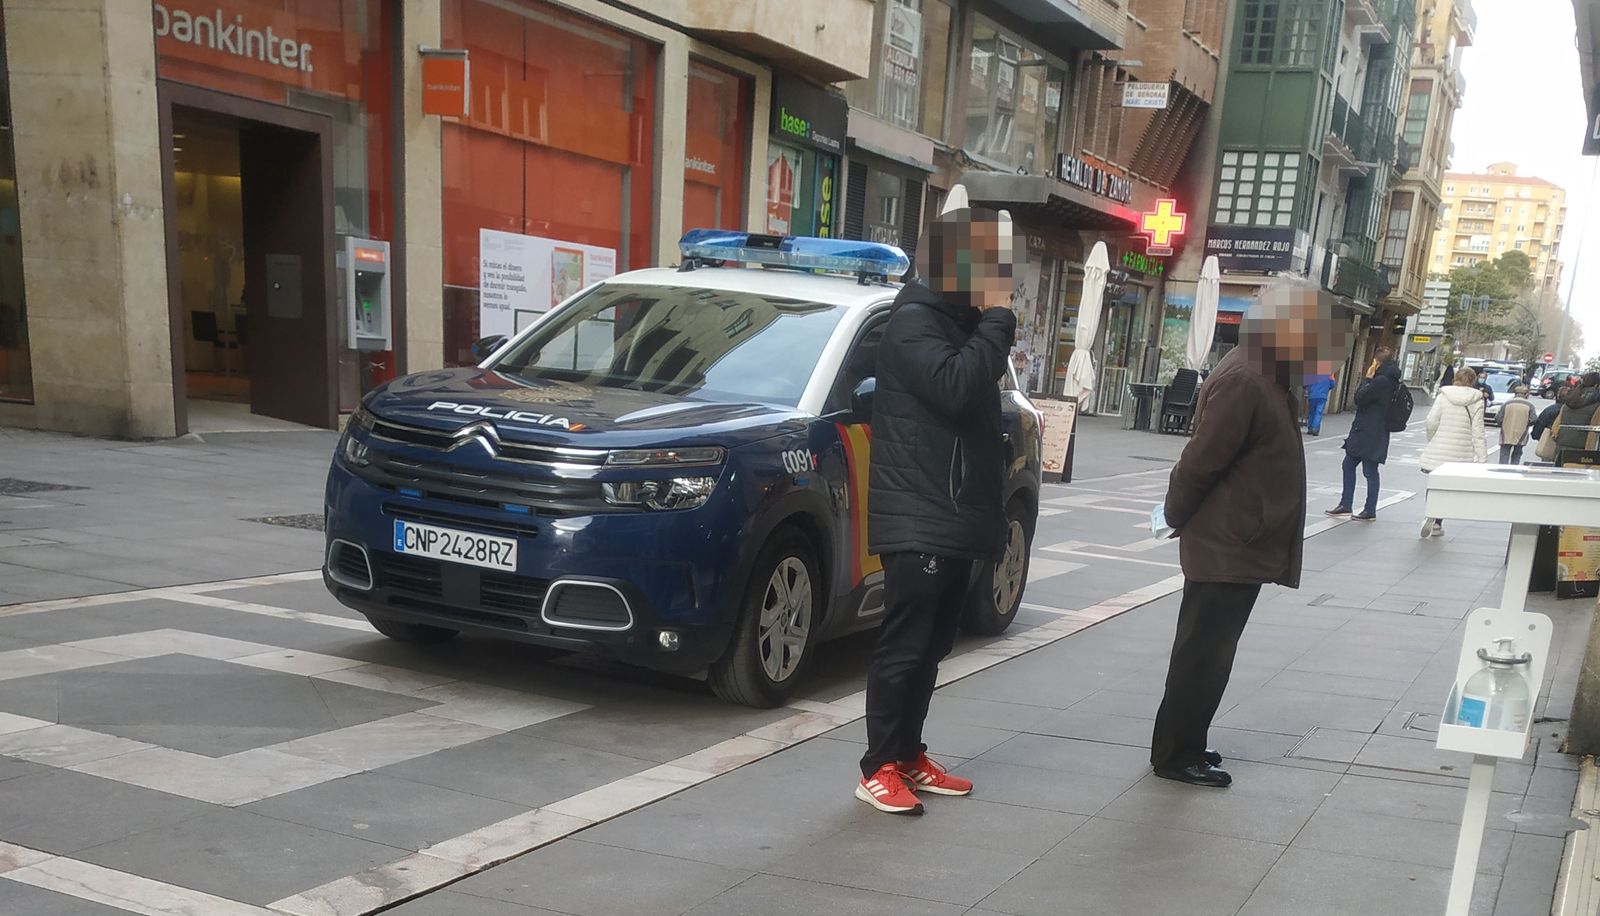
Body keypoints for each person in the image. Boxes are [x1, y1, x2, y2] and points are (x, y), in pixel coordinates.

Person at [857, 196, 1016, 816]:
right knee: (905, 644)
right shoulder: (914, 321)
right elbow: (954, 386)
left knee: (933, 646)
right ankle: (877, 767)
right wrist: (998, 318)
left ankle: (907, 754)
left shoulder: (955, 321)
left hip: (951, 512)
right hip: (920, 511)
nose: (1000, 278)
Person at [1152, 281, 1334, 788]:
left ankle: (1186, 743)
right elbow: (1201, 459)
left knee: (1211, 653)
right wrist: (1174, 514)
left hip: (1237, 539)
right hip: (1227, 541)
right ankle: (1175, 754)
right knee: (1202, 654)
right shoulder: (1247, 377)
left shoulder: (1266, 371)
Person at [1327, 346, 1401, 521]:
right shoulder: (1391, 378)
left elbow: (1360, 398)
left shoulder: (1381, 380)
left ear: (1377, 361)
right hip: (1372, 430)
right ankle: (1347, 504)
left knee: (1369, 470)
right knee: (1350, 465)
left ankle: (1368, 509)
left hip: (1368, 431)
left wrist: (1367, 379)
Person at [1419, 368, 1488, 537]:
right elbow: (1477, 430)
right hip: (1461, 453)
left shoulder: (1443, 396)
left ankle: (1429, 513)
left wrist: (1432, 438)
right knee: (1448, 487)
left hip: (1440, 447)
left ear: (1455, 378)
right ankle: (1437, 522)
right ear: (1472, 381)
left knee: (1434, 484)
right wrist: (1482, 457)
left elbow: (1431, 421)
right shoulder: (1476, 400)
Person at [1498, 385, 1535, 465]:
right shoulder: (1529, 406)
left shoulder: (1506, 404)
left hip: (1506, 433)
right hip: (1521, 434)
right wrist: (1525, 423)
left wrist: (1504, 424)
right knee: (1517, 455)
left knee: (1504, 454)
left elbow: (1498, 418)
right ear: (1526, 394)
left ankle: (1502, 469)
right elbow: (1533, 419)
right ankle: (1514, 469)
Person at [1304, 366, 1335, 436]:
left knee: (1311, 412)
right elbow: (1332, 384)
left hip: (1312, 395)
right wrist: (1326, 388)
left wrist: (1307, 389)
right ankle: (1315, 428)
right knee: (1318, 412)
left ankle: (1310, 428)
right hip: (1322, 396)